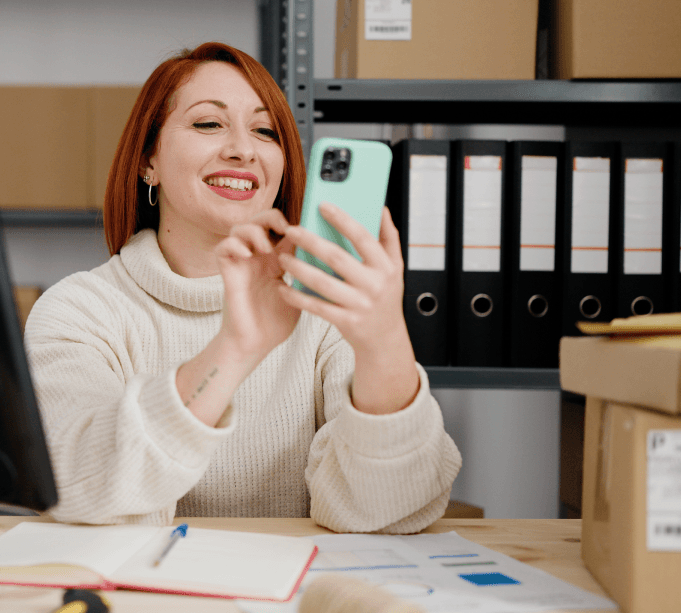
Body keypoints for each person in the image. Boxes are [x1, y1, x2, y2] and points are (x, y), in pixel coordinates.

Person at [23, 42, 461, 533]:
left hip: (299, 599)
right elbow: (74, 485)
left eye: (265, 131)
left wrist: (384, 340)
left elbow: (389, 510)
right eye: (208, 123)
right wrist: (235, 348)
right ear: (149, 159)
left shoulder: (323, 309)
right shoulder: (78, 311)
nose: (242, 149)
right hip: (138, 602)